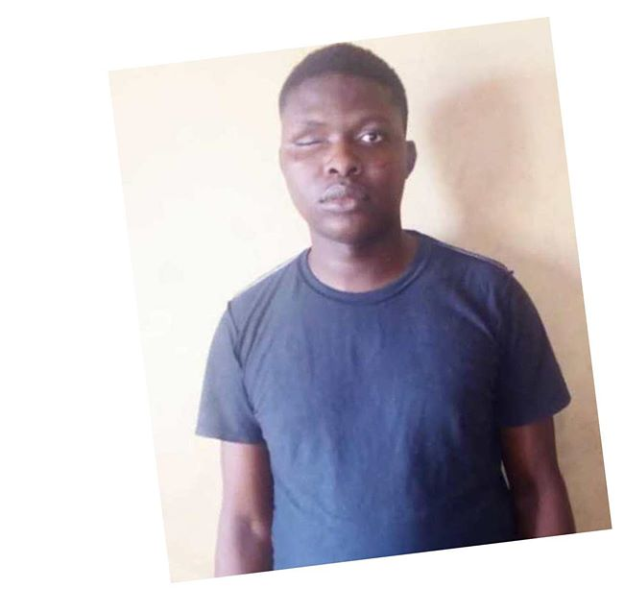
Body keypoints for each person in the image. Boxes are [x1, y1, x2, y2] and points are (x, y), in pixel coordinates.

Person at [196, 42, 576, 575]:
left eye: (371, 136)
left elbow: (538, 489)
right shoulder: (245, 326)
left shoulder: (491, 297)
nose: (341, 160)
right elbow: (245, 524)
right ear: (284, 162)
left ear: (408, 157)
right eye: (310, 140)